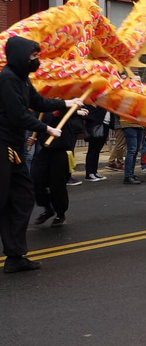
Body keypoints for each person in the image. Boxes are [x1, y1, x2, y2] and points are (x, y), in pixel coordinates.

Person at [0, 36, 84, 272]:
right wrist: (46, 129)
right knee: (6, 198)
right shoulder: (7, 79)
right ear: (19, 56)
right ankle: (15, 254)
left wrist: (67, 102)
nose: (36, 59)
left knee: (23, 197)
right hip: (2, 146)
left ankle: (15, 256)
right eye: (32, 55)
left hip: (12, 149)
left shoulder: (22, 79)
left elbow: (38, 102)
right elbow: (18, 115)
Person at [31, 106, 88, 226]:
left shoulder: (61, 102)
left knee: (57, 184)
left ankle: (60, 214)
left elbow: (70, 110)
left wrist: (76, 111)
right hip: (45, 149)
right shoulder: (40, 105)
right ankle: (48, 209)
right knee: (36, 180)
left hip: (61, 150)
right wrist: (34, 137)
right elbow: (34, 122)